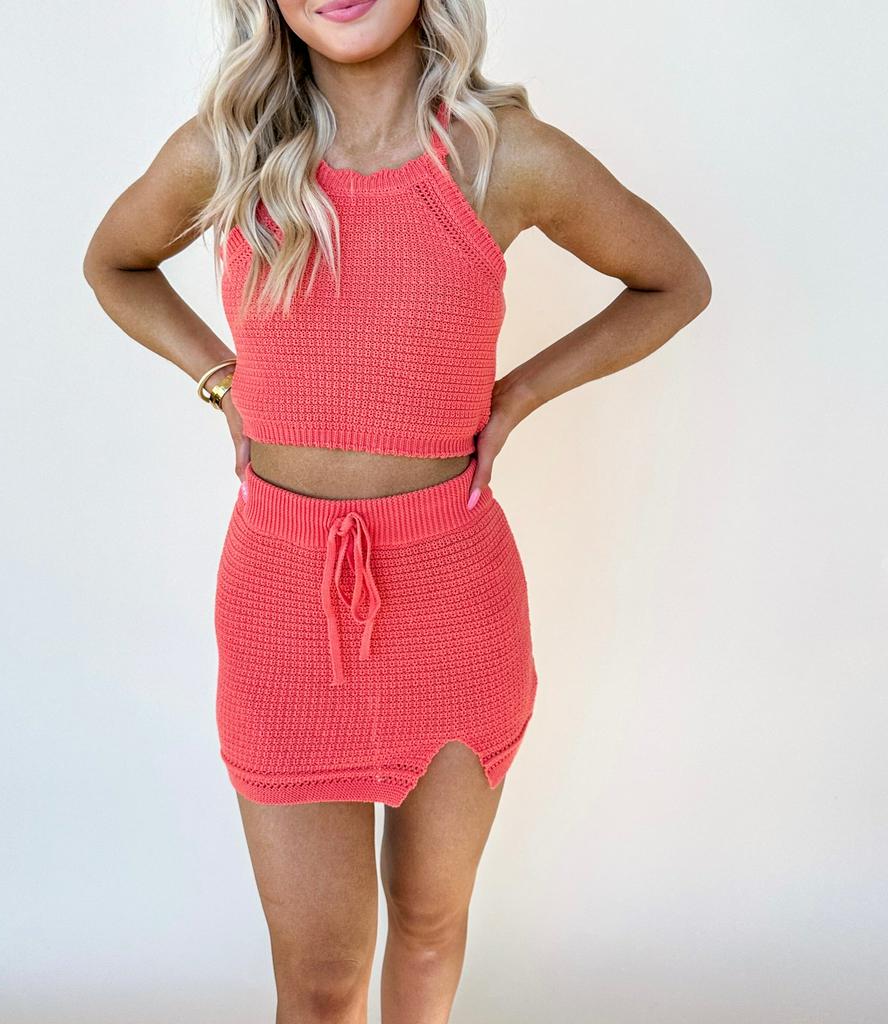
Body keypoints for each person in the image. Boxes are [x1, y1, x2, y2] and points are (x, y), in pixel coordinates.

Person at [83, 0, 711, 1019]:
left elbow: (673, 281)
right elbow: (112, 261)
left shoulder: (502, 157)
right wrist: (219, 380)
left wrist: (518, 394)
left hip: (454, 600)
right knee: (322, 977)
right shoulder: (229, 150)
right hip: (283, 601)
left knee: (427, 924)